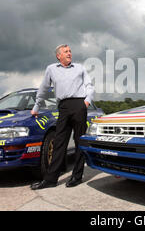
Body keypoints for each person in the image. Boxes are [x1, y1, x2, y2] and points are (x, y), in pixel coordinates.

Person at [30, 44, 94, 190]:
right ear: (58, 55)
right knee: (59, 142)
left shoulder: (80, 68)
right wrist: (36, 106)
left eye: (70, 51)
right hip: (63, 107)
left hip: (79, 105)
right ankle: (50, 179)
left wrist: (86, 101)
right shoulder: (51, 69)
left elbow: (89, 85)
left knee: (80, 141)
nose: (69, 53)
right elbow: (44, 88)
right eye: (66, 51)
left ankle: (77, 176)